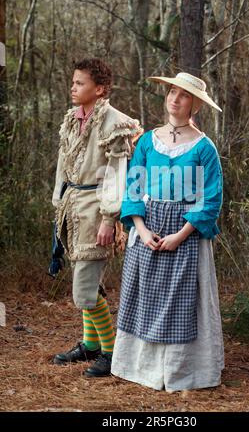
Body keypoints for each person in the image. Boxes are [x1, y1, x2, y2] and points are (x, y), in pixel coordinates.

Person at [111, 72, 224, 391]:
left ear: (195, 106)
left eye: (184, 95)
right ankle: (143, 368)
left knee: (183, 303)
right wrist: (142, 230)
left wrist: (181, 234)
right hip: (148, 231)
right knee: (144, 296)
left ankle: (180, 371)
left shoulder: (204, 148)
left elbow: (211, 197)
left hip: (185, 232)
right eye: (172, 92)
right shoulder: (147, 141)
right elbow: (134, 189)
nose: (175, 98)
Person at [51, 57, 142, 377]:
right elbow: (64, 164)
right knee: (87, 282)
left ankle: (111, 351)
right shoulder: (72, 118)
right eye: (73, 82)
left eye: (80, 83)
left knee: (85, 291)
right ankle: (91, 344)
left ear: (99, 89)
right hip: (72, 208)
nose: (73, 88)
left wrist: (108, 218)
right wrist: (58, 201)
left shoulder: (115, 123)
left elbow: (118, 174)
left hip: (96, 208)